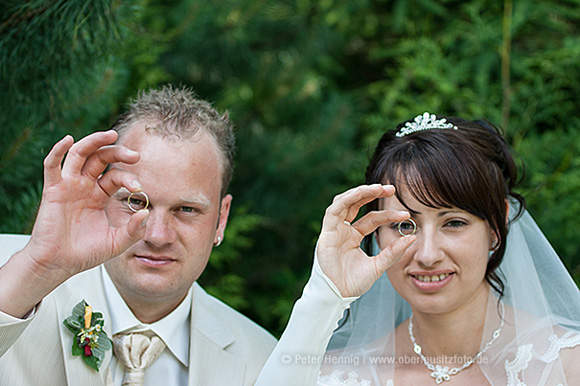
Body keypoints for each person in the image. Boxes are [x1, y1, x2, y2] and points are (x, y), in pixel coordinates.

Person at [255, 113, 580, 385]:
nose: (427, 255)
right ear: (377, 233)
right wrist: (325, 295)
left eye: (453, 223)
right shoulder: (344, 375)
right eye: (404, 225)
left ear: (496, 227)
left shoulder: (566, 366)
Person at [0, 85, 276, 386]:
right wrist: (39, 268)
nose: (157, 235)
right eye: (135, 201)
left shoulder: (263, 363)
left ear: (221, 219)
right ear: (103, 195)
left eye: (186, 209)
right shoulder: (13, 273)